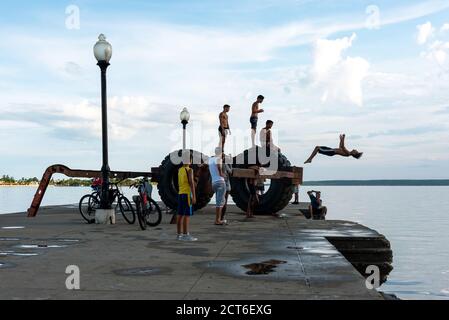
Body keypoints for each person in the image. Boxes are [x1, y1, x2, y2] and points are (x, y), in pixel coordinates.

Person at [176, 154, 197, 241]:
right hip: (187, 194)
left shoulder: (180, 170)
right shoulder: (190, 170)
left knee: (180, 214)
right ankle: (186, 235)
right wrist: (194, 196)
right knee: (187, 215)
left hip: (180, 194)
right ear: (190, 161)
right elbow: (191, 183)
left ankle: (179, 234)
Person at [208, 147, 227, 225]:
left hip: (214, 183)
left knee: (220, 201)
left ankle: (218, 219)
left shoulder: (210, 160)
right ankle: (217, 220)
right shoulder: (219, 159)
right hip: (220, 182)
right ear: (221, 153)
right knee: (220, 202)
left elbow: (202, 165)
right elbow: (218, 166)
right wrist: (221, 174)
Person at [220, 154, 233, 221]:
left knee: (219, 202)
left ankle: (218, 218)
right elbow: (231, 172)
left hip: (219, 185)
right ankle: (222, 218)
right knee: (224, 202)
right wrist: (230, 164)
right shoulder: (224, 164)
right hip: (226, 185)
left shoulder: (217, 164)